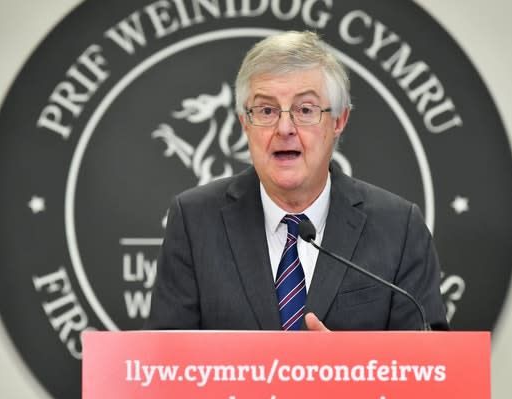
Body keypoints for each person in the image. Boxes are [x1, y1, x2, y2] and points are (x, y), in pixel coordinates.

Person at [146, 31, 448, 331]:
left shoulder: (398, 228)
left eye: (305, 110)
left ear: (338, 121)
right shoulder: (195, 220)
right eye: (266, 110)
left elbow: (433, 367)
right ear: (245, 124)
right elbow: (164, 363)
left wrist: (351, 368)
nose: (285, 128)